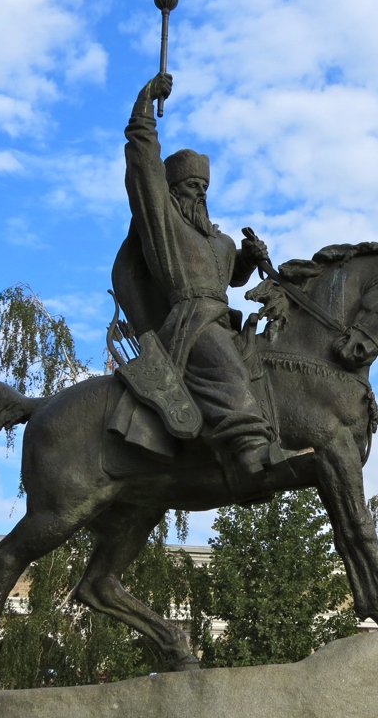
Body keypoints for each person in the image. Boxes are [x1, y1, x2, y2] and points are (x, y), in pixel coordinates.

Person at [110, 72, 309, 494]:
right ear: (171, 190)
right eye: (189, 187)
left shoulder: (217, 239)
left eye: (203, 187)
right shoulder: (162, 223)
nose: (198, 194)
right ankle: (253, 451)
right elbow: (144, 165)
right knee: (226, 369)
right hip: (190, 321)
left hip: (222, 316)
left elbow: (228, 277)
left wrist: (248, 260)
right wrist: (144, 106)